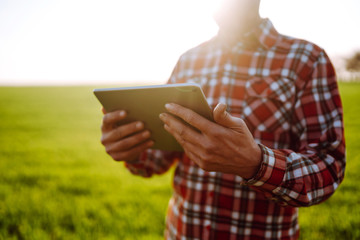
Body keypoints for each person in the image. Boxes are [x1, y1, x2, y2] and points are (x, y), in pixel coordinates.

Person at [100, 0, 346, 239]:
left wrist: (255, 163)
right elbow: (158, 159)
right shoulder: (189, 60)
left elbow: (329, 167)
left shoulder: (306, 60)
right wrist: (131, 147)